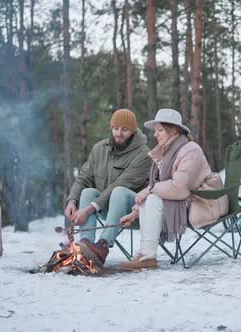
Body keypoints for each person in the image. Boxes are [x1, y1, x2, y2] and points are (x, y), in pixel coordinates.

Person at [118, 108, 228, 270]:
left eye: (160, 130)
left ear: (174, 130)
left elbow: (179, 188)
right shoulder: (165, 152)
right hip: (188, 201)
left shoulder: (191, 150)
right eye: (155, 131)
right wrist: (135, 213)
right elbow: (159, 186)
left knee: (154, 197)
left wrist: (149, 190)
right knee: (153, 197)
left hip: (206, 202)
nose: (155, 135)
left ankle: (148, 255)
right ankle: (145, 254)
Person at [64, 108, 152, 266]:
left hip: (134, 211)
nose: (119, 133)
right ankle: (86, 245)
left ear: (133, 131)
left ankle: (103, 246)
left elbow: (121, 184)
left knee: (119, 191)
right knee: (88, 191)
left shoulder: (143, 154)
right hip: (107, 208)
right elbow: (84, 177)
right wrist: (72, 200)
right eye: (115, 128)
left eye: (124, 129)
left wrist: (89, 208)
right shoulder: (99, 149)